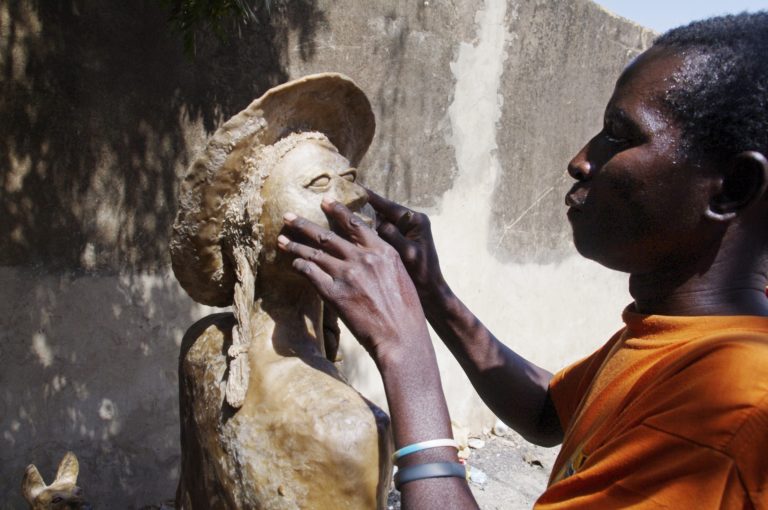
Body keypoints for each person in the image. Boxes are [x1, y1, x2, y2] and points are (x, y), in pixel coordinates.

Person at [280, 12, 768, 509]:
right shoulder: (675, 333)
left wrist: (403, 350)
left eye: (619, 136)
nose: (580, 160)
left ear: (732, 188)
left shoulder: (728, 413)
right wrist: (432, 295)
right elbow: (546, 412)